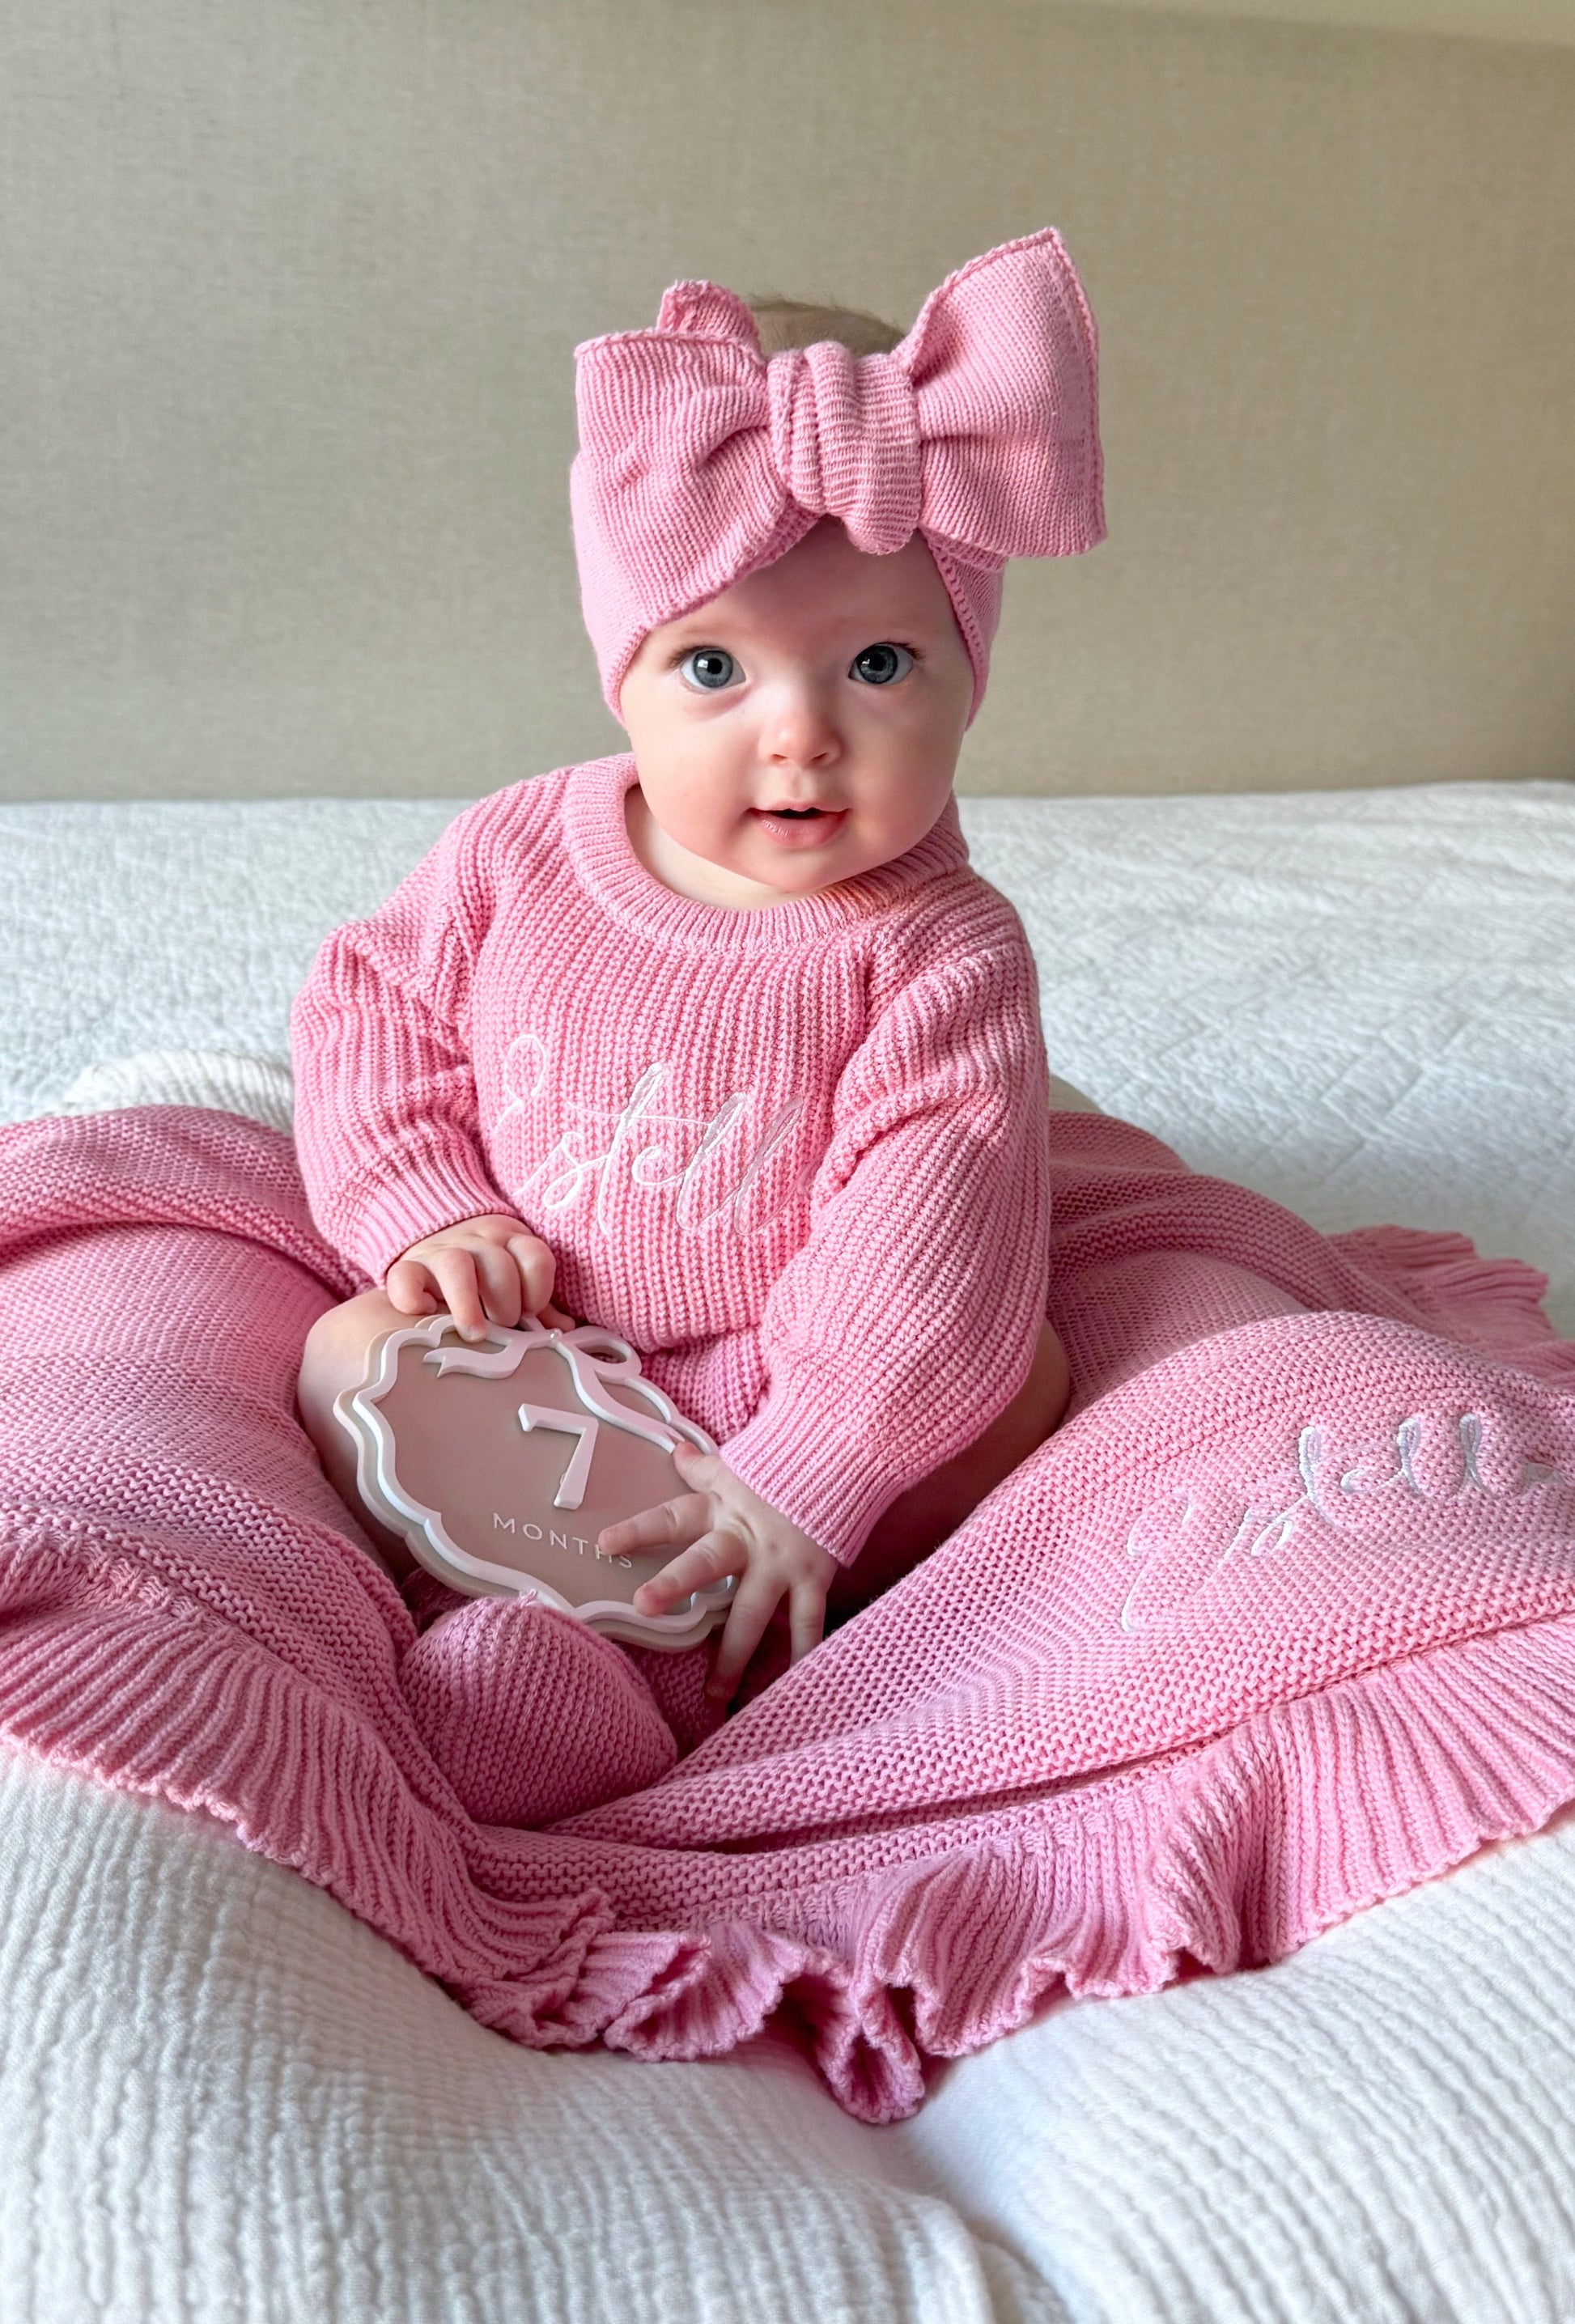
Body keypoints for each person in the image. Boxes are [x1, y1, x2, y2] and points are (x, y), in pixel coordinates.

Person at [290, 227, 1105, 1816]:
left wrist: (804, 1468)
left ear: (968, 673)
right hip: (520, 1344)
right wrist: (424, 1207)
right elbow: (372, 1013)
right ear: (625, 678)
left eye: (878, 662)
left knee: (1012, 1386)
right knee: (345, 1354)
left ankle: (716, 1662)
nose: (798, 737)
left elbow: (926, 1232)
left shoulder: (938, 950)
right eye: (714, 667)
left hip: (779, 1377)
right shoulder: (515, 852)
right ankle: (519, 1609)